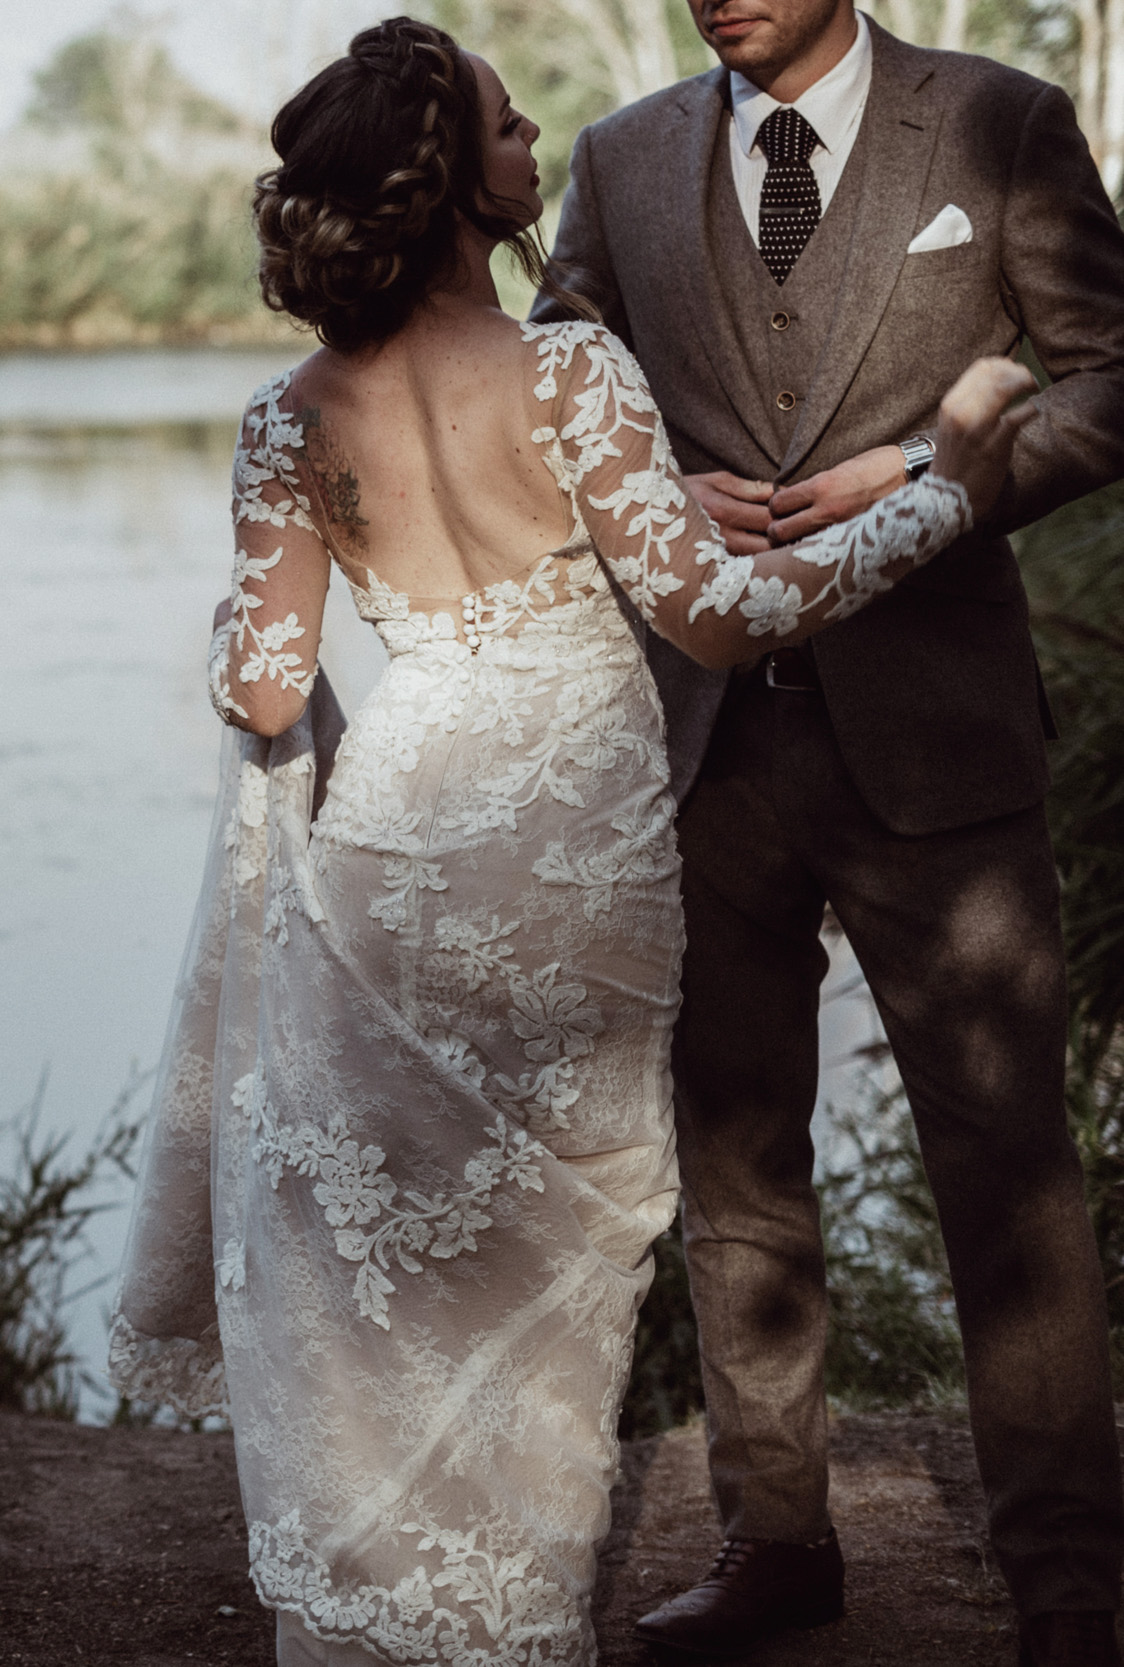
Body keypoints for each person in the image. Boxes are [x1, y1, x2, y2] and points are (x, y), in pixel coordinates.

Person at [106, 17, 1039, 1666]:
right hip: (570, 879)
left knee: (379, 1260)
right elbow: (724, 615)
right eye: (511, 125)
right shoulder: (570, 374)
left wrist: (290, 631)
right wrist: (943, 489)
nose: (541, 140)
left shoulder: (283, 415)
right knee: (547, 1264)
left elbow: (258, 690)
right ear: (457, 187)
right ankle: (512, 1622)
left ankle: (380, 1615)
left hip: (392, 854)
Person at [533, 0, 1124, 1657]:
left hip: (940, 745)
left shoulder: (1001, 122)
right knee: (736, 1164)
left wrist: (948, 476)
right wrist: (638, 473)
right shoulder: (619, 155)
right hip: (705, 743)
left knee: (1009, 1172)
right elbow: (548, 385)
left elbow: (1113, 373)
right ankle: (775, 1546)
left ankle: (1070, 1590)